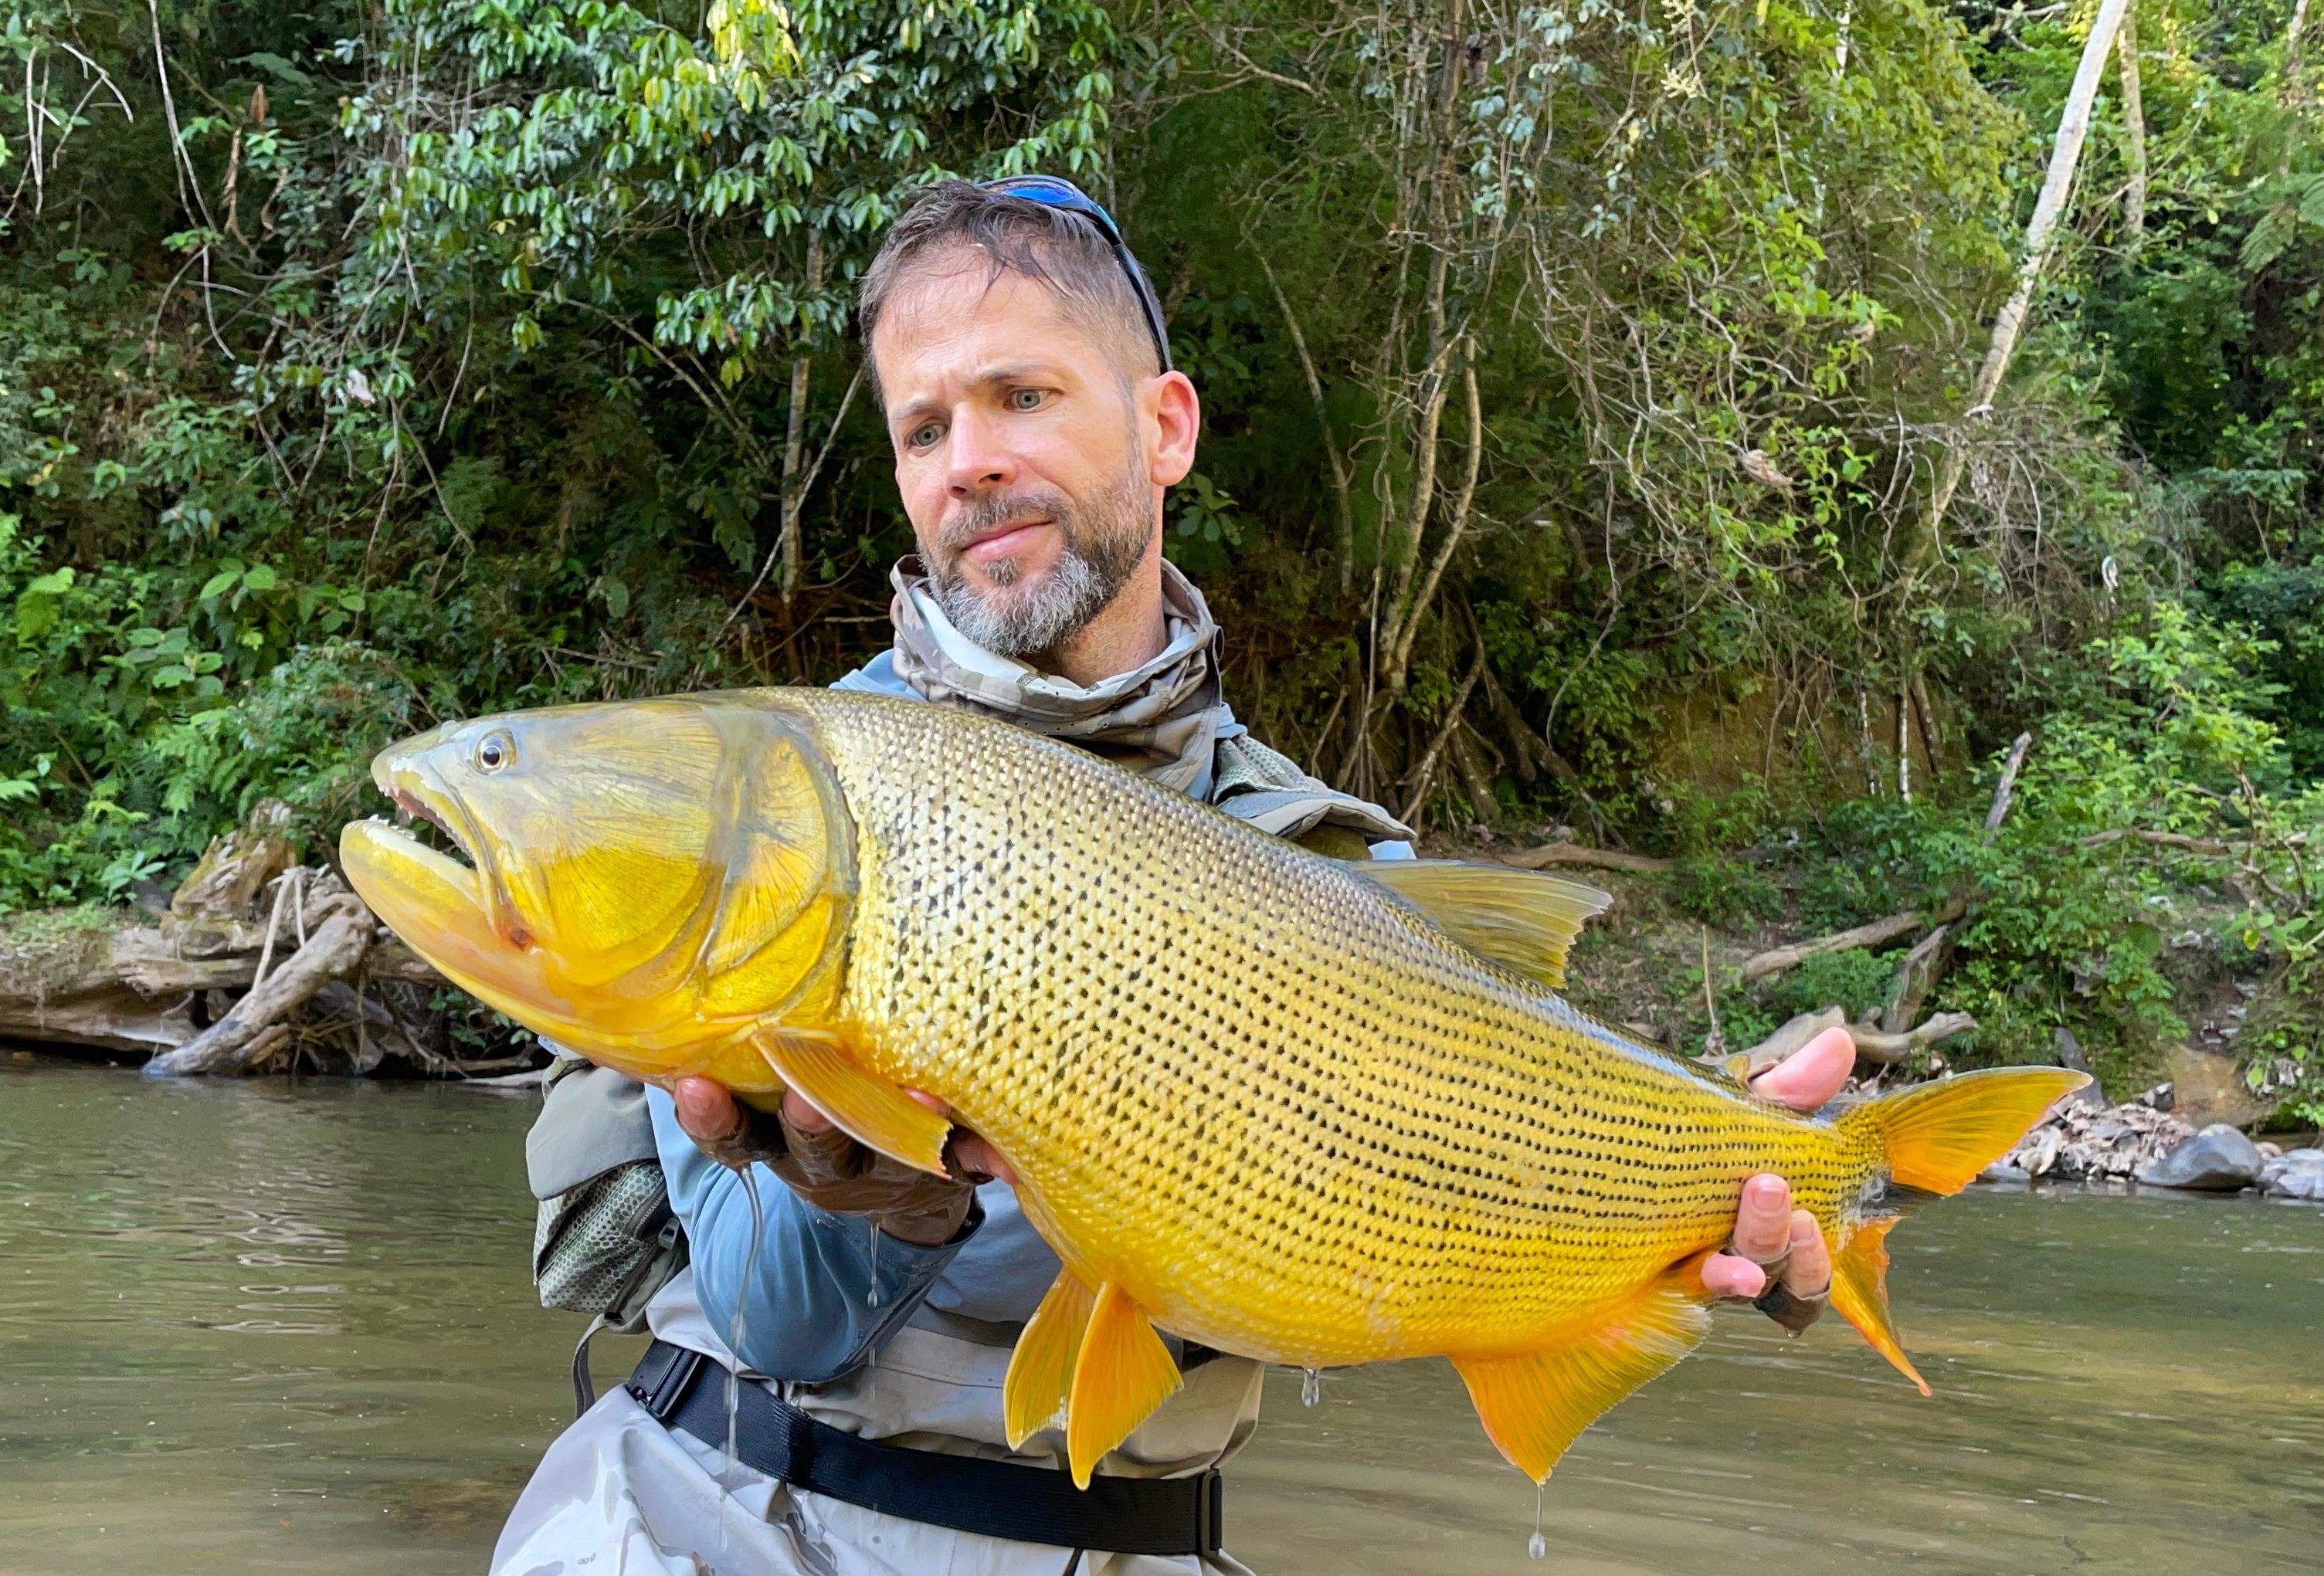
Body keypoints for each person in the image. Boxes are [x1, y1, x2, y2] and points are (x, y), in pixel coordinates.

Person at [490, 176, 1855, 1576]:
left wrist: (1729, 1211)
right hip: (713, 1510)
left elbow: (1510, 1206)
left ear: (1166, 428)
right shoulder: (767, 801)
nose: (968, 461)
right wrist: (888, 1204)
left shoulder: (1337, 871)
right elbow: (772, 1319)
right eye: (923, 427)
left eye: (1022, 395)